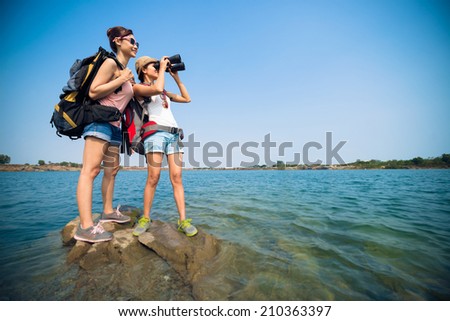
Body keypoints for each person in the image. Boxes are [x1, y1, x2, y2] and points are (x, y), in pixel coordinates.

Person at [74, 26, 138, 243]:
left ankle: (108, 211)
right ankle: (85, 227)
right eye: (131, 40)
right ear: (118, 42)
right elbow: (93, 91)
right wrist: (122, 79)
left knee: (112, 170)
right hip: (99, 123)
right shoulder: (110, 63)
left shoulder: (125, 71)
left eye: (136, 42)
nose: (135, 44)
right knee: (90, 171)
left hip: (115, 127)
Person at [132, 55, 197, 237]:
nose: (156, 67)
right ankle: (145, 218)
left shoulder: (163, 93)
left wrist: (175, 77)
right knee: (154, 176)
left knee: (177, 177)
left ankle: (183, 220)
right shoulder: (138, 88)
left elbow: (187, 98)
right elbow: (157, 87)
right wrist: (162, 69)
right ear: (144, 70)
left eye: (157, 65)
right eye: (153, 65)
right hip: (155, 135)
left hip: (174, 135)